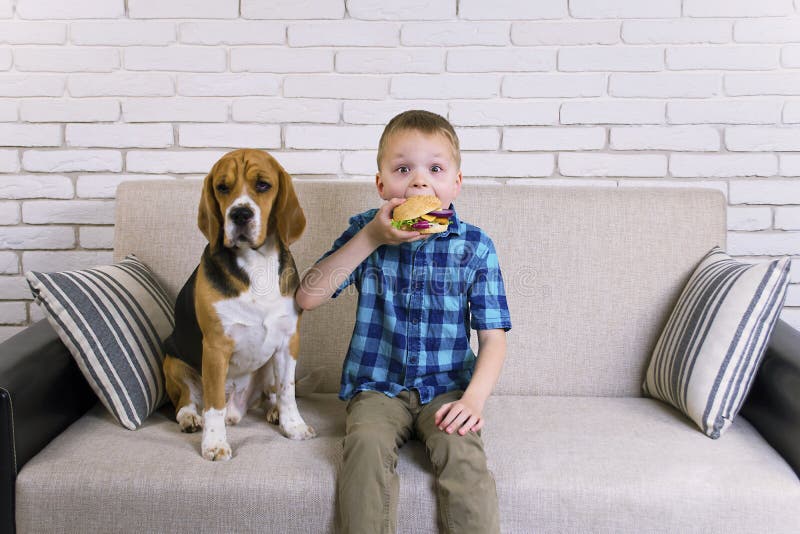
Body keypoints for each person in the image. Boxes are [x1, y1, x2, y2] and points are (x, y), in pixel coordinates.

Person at [296, 110, 512, 533]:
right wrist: (372, 238)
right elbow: (307, 295)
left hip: (448, 387)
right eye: (402, 169)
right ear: (381, 184)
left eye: (435, 168)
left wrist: (473, 401)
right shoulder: (365, 231)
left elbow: (493, 338)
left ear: (456, 184)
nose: (419, 181)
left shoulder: (476, 246)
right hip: (379, 386)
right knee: (364, 444)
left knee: (464, 456)